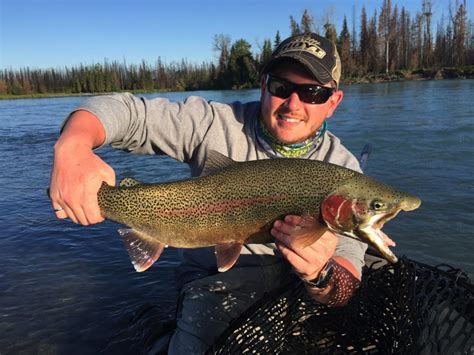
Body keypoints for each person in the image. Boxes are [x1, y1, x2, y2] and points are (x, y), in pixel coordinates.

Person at [49, 33, 367, 354]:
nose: (293, 104)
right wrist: (74, 146)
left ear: (333, 102)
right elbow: (128, 112)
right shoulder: (214, 124)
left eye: (312, 92)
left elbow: (346, 284)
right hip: (209, 283)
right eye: (281, 87)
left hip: (295, 291)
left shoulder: (343, 173)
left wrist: (321, 273)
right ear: (263, 85)